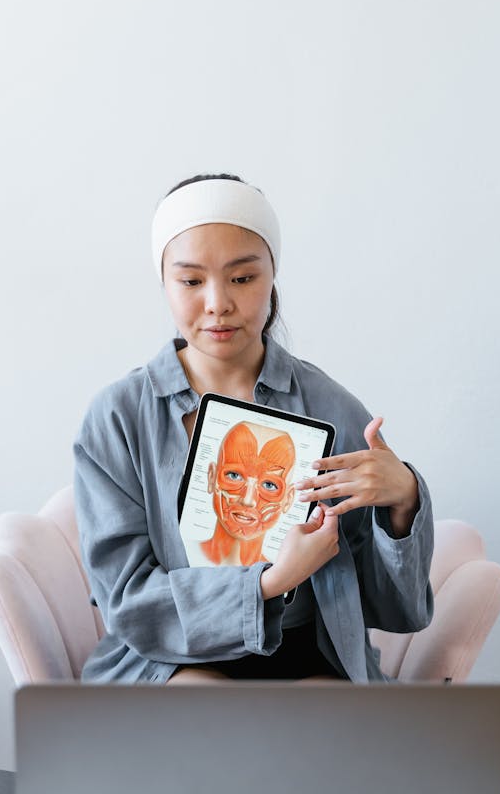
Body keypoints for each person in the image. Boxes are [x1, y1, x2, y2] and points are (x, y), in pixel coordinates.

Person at [73, 174, 434, 684]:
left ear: (272, 277)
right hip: (167, 657)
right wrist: (269, 583)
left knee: (329, 734)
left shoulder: (330, 406)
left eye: (242, 278)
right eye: (191, 281)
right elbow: (128, 603)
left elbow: (394, 610)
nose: (218, 302)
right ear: (163, 282)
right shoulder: (118, 417)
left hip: (310, 650)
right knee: (213, 715)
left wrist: (402, 502)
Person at [199, 421, 296, 567]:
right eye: (233, 475)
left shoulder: (284, 579)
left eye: (269, 485)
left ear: (288, 499)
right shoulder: (175, 554)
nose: (248, 500)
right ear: (212, 477)